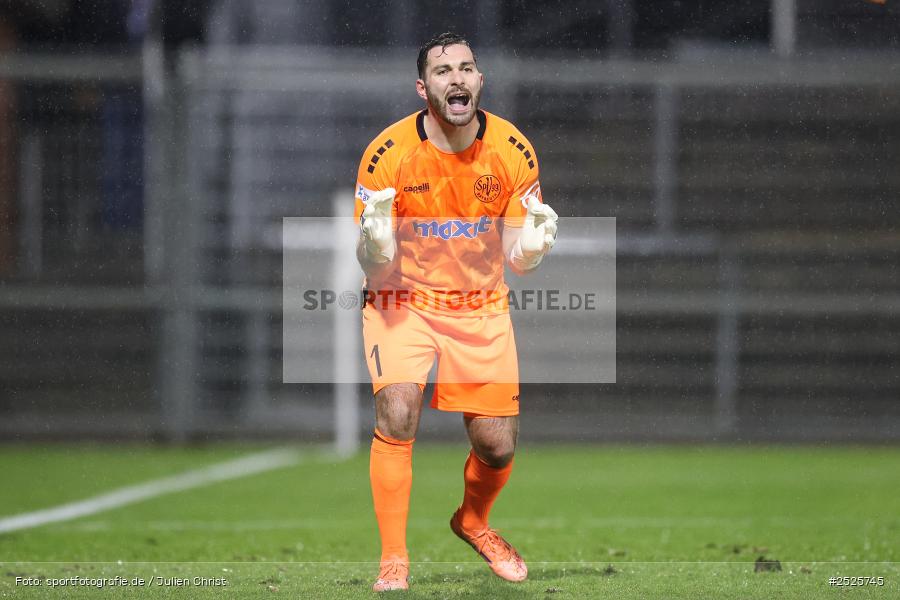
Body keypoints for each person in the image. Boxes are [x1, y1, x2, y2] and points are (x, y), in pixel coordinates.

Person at [353, 32, 558, 592]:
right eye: (443, 71)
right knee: (397, 411)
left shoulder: (513, 151)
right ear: (424, 88)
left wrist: (533, 247)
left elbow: (519, 261)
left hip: (480, 306)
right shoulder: (386, 155)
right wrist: (373, 244)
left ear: (480, 80)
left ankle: (473, 521)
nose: (457, 78)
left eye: (466, 68)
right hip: (404, 301)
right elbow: (373, 267)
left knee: (498, 444)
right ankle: (393, 559)